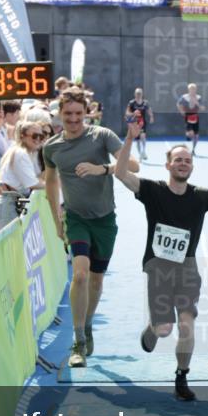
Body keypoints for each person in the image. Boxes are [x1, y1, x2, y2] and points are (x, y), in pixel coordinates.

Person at [114, 121, 208, 400]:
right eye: (178, 160)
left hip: (187, 267)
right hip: (158, 265)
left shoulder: (201, 196)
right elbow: (120, 173)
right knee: (164, 329)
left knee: (186, 324)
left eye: (187, 161)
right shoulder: (153, 190)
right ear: (168, 166)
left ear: (191, 167)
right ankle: (152, 329)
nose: (183, 164)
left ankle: (181, 376)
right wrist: (128, 139)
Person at [43, 87, 139, 367]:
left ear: (86, 113)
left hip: (105, 219)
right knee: (81, 275)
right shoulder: (52, 147)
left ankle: (86, 325)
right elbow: (50, 182)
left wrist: (104, 168)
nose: (73, 119)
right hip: (75, 218)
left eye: (78, 113)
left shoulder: (102, 136)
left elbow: (133, 165)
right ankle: (78, 340)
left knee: (96, 280)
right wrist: (55, 217)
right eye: (68, 114)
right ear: (60, 114)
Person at [0, 121, 46, 228]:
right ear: (22, 136)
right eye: (35, 136)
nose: (38, 139)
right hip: (9, 205)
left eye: (41, 136)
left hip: (13, 203)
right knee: (12, 244)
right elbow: (33, 183)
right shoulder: (20, 153)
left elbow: (36, 179)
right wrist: (55, 185)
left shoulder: (21, 152)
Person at [125, 88, 154, 160]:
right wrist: (133, 113)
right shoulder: (131, 103)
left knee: (143, 136)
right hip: (134, 123)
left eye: (140, 94)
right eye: (137, 94)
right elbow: (127, 113)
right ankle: (140, 153)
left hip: (142, 123)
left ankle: (143, 151)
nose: (138, 95)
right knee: (137, 140)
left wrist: (151, 116)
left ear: (142, 94)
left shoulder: (145, 103)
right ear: (135, 94)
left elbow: (149, 110)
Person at [176, 83, 206, 154]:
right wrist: (181, 111)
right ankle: (188, 134)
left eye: (194, 89)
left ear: (196, 90)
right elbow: (178, 104)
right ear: (188, 90)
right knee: (190, 133)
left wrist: (197, 103)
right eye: (191, 89)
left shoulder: (199, 97)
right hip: (188, 115)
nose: (192, 91)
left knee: (196, 135)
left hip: (195, 116)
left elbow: (203, 108)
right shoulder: (184, 97)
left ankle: (193, 149)